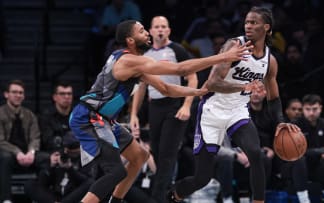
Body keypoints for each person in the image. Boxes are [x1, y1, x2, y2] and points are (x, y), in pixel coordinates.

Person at [69, 19, 253, 203]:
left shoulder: (132, 63)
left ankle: (115, 201)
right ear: (130, 40)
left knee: (140, 156)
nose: (147, 33)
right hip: (89, 118)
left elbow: (166, 89)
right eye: (142, 31)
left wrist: (198, 92)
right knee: (116, 172)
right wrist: (223, 57)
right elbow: (180, 69)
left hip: (104, 119)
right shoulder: (129, 61)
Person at [168, 7, 300, 203]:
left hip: (237, 112)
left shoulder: (270, 61)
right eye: (247, 22)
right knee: (202, 178)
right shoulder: (234, 45)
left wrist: (280, 121)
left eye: (254, 22)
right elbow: (212, 83)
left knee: (257, 155)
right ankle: (173, 194)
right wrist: (243, 86)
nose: (248, 25)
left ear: (267, 28)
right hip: (212, 111)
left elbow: (273, 98)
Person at [129, 16, 198, 203]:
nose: (160, 30)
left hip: (174, 106)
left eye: (164, 27)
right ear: (150, 31)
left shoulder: (177, 50)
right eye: (156, 27)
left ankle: (157, 199)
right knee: (158, 154)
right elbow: (141, 87)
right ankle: (171, 196)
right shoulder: (146, 55)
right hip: (155, 106)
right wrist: (134, 114)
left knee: (168, 155)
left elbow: (192, 78)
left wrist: (186, 105)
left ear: (168, 30)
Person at [0, 80, 44, 203]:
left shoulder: (29, 115)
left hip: (26, 154)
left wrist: (31, 152)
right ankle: (6, 199)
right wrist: (17, 152)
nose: (18, 95)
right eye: (14, 92)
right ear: (6, 94)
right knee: (5, 157)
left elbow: (35, 137)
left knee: (47, 159)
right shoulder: (0, 113)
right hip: (8, 154)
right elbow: (0, 141)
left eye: (21, 93)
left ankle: (42, 197)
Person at [24, 131, 93, 203]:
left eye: (73, 153)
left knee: (90, 183)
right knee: (29, 184)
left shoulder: (86, 158)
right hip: (55, 197)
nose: (70, 154)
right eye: (68, 152)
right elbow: (42, 183)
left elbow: (87, 183)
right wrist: (50, 166)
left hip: (73, 196)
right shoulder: (59, 155)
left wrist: (70, 169)